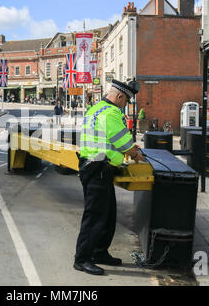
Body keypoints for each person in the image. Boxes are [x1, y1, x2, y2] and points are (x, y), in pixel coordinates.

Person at [74, 79, 144, 276]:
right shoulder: (111, 112)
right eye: (126, 102)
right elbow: (122, 141)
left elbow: (106, 139)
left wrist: (128, 149)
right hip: (98, 168)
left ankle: (99, 252)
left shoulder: (96, 108)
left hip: (95, 166)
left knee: (108, 214)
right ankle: (82, 259)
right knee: (95, 215)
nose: (125, 106)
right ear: (120, 96)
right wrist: (134, 153)